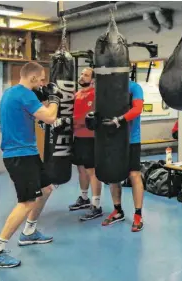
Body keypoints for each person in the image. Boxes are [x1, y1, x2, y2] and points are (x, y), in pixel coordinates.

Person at [0, 62, 62, 268]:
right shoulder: (24, 94)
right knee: (26, 201)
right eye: (42, 79)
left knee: (46, 189)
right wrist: (55, 98)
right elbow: (51, 117)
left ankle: (29, 232)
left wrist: (44, 100)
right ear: (33, 78)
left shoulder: (11, 93)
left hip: (28, 152)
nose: (43, 82)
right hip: (20, 155)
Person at [92, 80, 145, 232]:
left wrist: (120, 120)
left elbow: (137, 109)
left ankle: (138, 215)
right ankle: (118, 210)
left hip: (131, 139)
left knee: (134, 174)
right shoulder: (106, 88)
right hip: (112, 139)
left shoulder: (134, 87)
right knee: (113, 175)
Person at [68, 67, 103, 221]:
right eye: (81, 74)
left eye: (86, 75)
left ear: (93, 79)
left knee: (92, 171)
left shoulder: (96, 95)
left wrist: (74, 121)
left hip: (91, 138)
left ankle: (96, 205)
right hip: (78, 137)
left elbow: (91, 117)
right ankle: (84, 198)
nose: (82, 76)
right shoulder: (76, 94)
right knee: (81, 168)